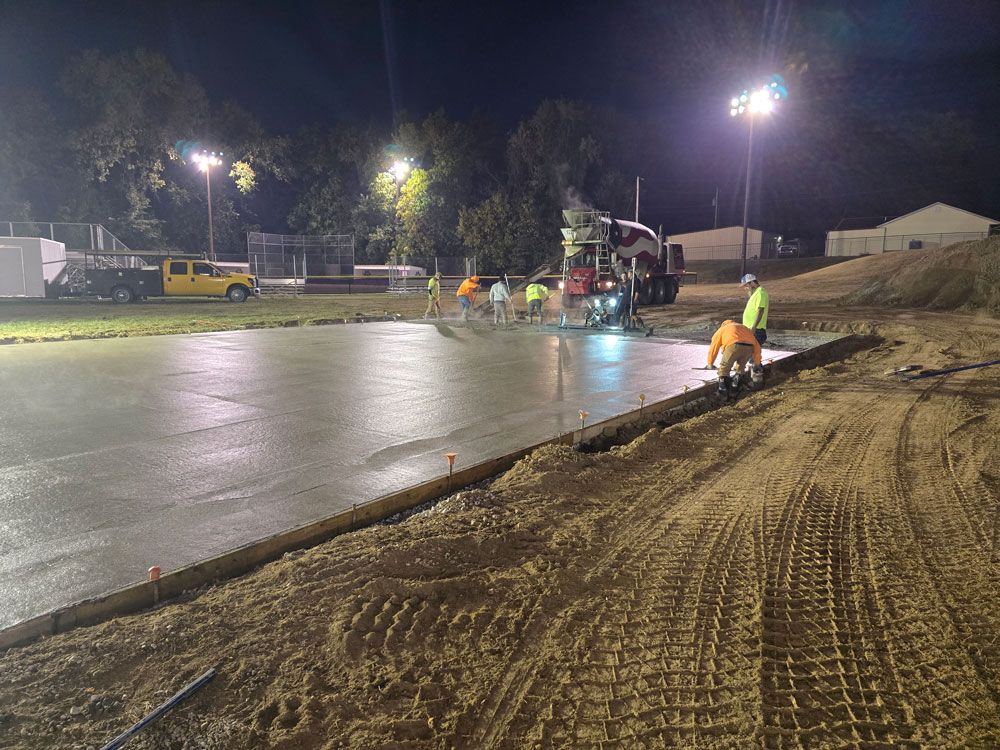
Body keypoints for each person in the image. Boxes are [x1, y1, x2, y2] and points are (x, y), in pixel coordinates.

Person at [707, 319, 763, 396]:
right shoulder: (744, 327)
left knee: (724, 369)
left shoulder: (722, 329)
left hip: (733, 345)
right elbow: (757, 346)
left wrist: (710, 363)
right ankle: (735, 386)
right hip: (749, 347)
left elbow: (714, 347)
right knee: (740, 368)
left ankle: (723, 392)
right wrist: (757, 362)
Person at [740, 273, 769, 345]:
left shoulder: (760, 293)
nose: (745, 288)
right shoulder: (755, 294)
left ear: (752, 282)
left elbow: (760, 310)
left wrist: (753, 327)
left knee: (751, 354)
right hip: (751, 330)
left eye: (746, 285)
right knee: (749, 354)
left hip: (756, 331)